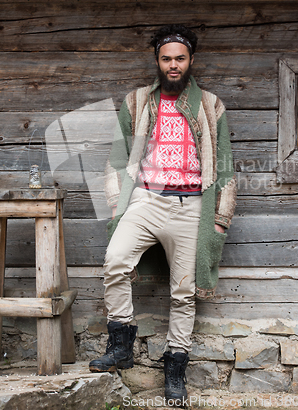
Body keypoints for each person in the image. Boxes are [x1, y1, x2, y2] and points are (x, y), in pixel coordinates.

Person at [89, 24, 237, 400]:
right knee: (115, 261)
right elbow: (117, 159)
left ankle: (175, 371)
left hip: (192, 207)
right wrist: (115, 204)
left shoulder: (210, 105)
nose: (173, 65)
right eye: (166, 58)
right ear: (157, 60)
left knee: (183, 292)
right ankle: (120, 344)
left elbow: (224, 167)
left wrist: (220, 219)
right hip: (145, 200)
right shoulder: (138, 102)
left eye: (180, 59)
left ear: (191, 61)